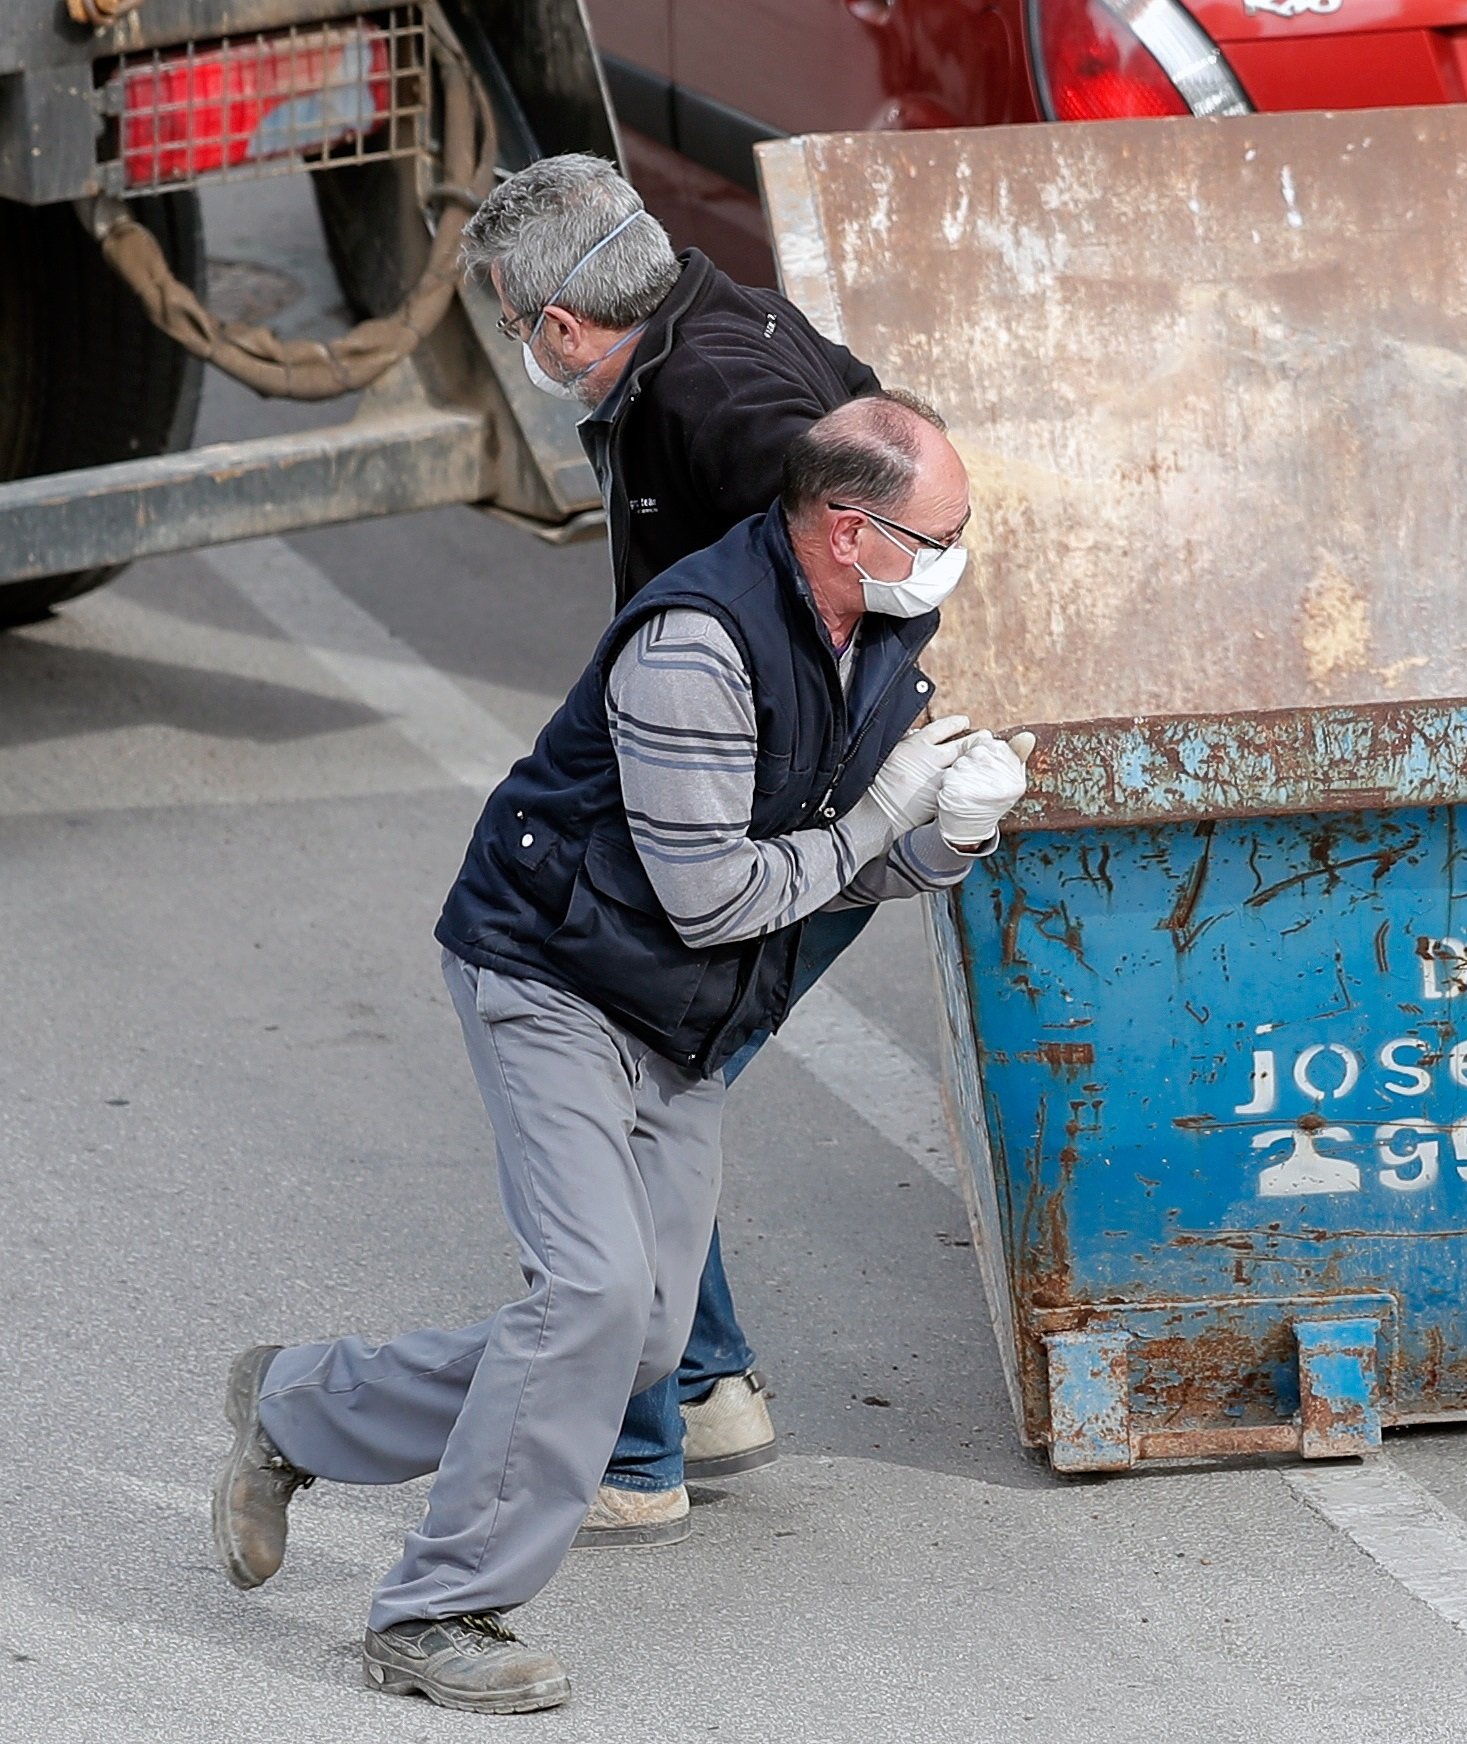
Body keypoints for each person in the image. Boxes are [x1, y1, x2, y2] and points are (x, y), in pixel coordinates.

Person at [211, 394, 1032, 1713]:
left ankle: (303, 1408)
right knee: (591, 1300)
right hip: (560, 983)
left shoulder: (880, 627)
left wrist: (954, 839)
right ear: (846, 526)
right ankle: (437, 1612)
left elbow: (838, 870)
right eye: (940, 532)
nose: (958, 554)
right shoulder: (695, 648)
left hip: (681, 1014)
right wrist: (887, 812)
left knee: (642, 1338)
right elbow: (718, 896)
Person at [454, 154, 898, 1545]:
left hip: (772, 827)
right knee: (664, 1083)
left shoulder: (717, 393)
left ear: (562, 326)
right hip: (789, 804)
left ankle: (639, 1452)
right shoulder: (727, 328)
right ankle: (701, 1386)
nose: (532, 353)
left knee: (628, 1086)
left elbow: (839, 513)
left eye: (522, 330)